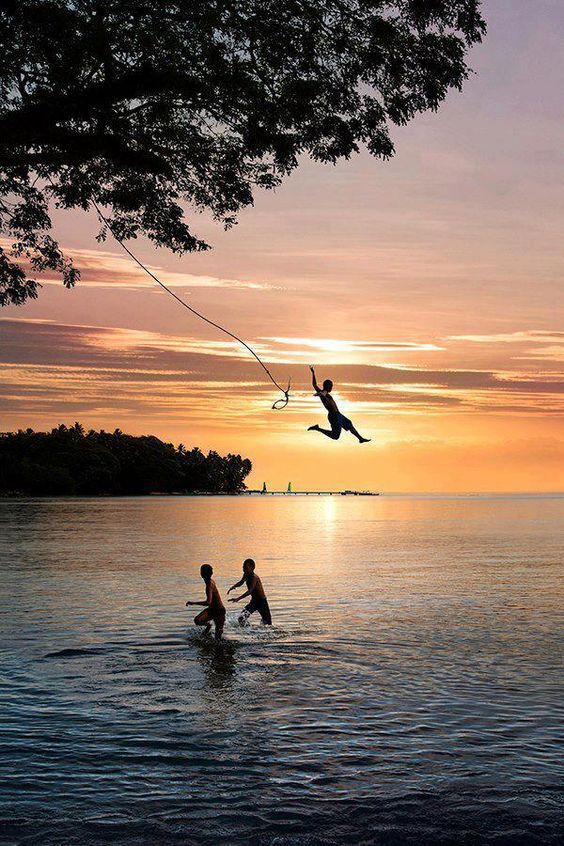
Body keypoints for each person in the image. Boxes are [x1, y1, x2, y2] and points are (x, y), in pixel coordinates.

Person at [308, 365, 370, 443]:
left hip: (338, 414)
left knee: (349, 424)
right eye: (331, 386)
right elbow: (321, 392)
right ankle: (317, 428)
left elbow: (314, 385)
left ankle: (360, 438)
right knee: (335, 436)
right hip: (334, 416)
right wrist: (320, 394)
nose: (332, 388)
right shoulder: (324, 392)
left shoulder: (325, 393)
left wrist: (313, 373)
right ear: (328, 386)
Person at [186, 564, 226, 640]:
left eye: (201, 571)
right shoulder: (210, 581)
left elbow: (208, 602)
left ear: (202, 574)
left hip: (219, 611)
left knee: (218, 638)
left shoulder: (209, 584)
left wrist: (193, 603)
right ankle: (208, 626)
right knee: (197, 620)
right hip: (212, 609)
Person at [228, 558, 272, 625]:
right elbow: (241, 582)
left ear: (252, 568)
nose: (243, 568)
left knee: (268, 622)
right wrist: (233, 587)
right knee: (241, 618)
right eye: (243, 566)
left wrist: (238, 598)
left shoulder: (254, 577)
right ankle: (248, 630)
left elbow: (250, 591)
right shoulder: (246, 574)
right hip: (254, 601)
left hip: (261, 601)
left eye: (245, 567)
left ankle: (264, 632)